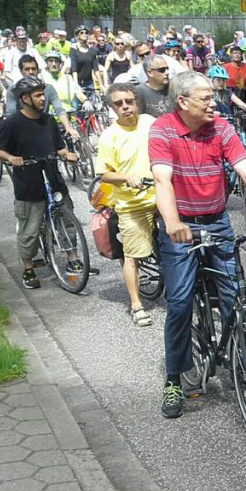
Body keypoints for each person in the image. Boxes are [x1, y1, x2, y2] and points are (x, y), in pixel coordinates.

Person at [149, 71, 246, 419]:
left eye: (213, 96)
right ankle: (173, 380)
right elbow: (162, 181)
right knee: (180, 302)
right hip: (181, 225)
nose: (214, 103)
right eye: (206, 98)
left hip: (216, 221)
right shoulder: (163, 129)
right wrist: (172, 224)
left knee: (236, 296)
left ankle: (241, 363)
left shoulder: (222, 129)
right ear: (183, 102)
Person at [0, 77, 82, 290]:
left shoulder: (49, 120)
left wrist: (67, 154)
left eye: (44, 94)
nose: (43, 98)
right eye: (39, 95)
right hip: (28, 182)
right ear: (25, 98)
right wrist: (11, 158)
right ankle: (28, 268)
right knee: (30, 228)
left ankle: (72, 257)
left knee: (67, 220)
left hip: (53, 178)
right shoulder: (12, 123)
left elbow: (58, 147)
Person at [95, 84, 159, 326]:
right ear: (112, 108)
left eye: (129, 101)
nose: (125, 107)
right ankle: (136, 304)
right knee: (132, 256)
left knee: (181, 244)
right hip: (133, 204)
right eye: (119, 103)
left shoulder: (149, 122)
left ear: (137, 102)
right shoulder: (109, 137)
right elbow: (104, 174)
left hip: (161, 195)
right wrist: (126, 177)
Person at [6, 55, 79, 139]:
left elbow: (59, 109)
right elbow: (10, 113)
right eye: (27, 69)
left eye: (33, 69)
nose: (31, 72)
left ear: (38, 70)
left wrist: (68, 127)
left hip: (43, 128)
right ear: (21, 71)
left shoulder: (48, 88)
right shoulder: (13, 90)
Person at [69, 26, 101, 96]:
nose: (84, 34)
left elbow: (96, 69)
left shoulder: (92, 50)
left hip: (89, 83)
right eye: (82, 33)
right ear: (77, 36)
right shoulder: (74, 50)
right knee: (77, 105)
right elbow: (74, 69)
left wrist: (101, 85)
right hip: (78, 82)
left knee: (95, 103)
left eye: (86, 33)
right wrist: (76, 85)